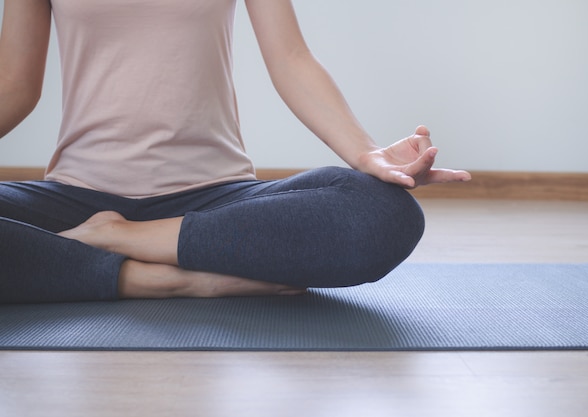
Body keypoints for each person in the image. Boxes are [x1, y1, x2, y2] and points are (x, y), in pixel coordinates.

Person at [0, 0, 470, 304]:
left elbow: (290, 58)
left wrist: (367, 155)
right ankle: (160, 277)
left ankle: (110, 241)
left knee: (384, 214)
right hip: (73, 197)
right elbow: (14, 86)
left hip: (216, 198)